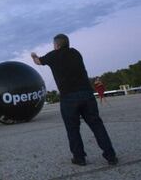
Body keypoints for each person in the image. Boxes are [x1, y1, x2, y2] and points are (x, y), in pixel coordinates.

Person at [31, 34, 118, 166]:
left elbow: (38, 62)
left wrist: (33, 56)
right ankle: (111, 156)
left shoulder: (53, 55)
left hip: (68, 97)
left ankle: (79, 158)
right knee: (96, 125)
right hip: (87, 94)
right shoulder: (76, 53)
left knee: (73, 129)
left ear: (57, 45)